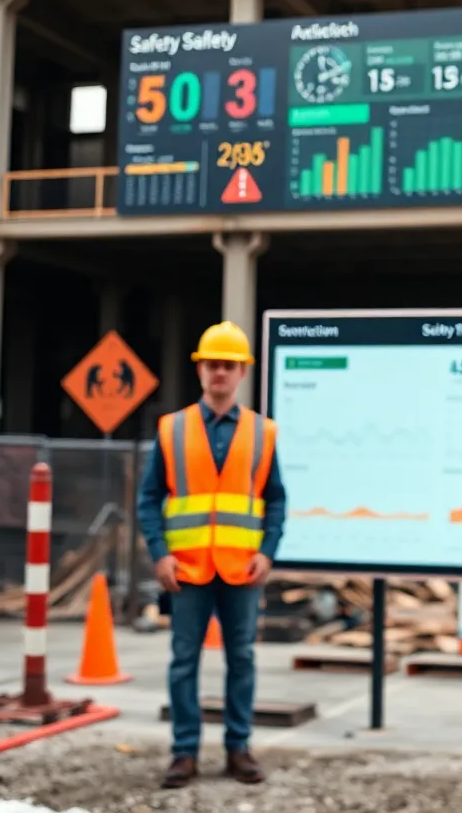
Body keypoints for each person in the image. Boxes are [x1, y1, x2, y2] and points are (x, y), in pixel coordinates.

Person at [138, 320, 287, 789]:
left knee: (241, 658)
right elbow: (148, 497)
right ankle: (184, 753)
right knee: (184, 661)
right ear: (200, 370)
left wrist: (268, 550)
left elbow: (276, 497)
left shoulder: (263, 433)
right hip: (187, 569)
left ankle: (237, 748)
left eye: (228, 365)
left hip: (242, 568)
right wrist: (159, 553)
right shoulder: (172, 429)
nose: (219, 372)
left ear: (242, 372)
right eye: (211, 365)